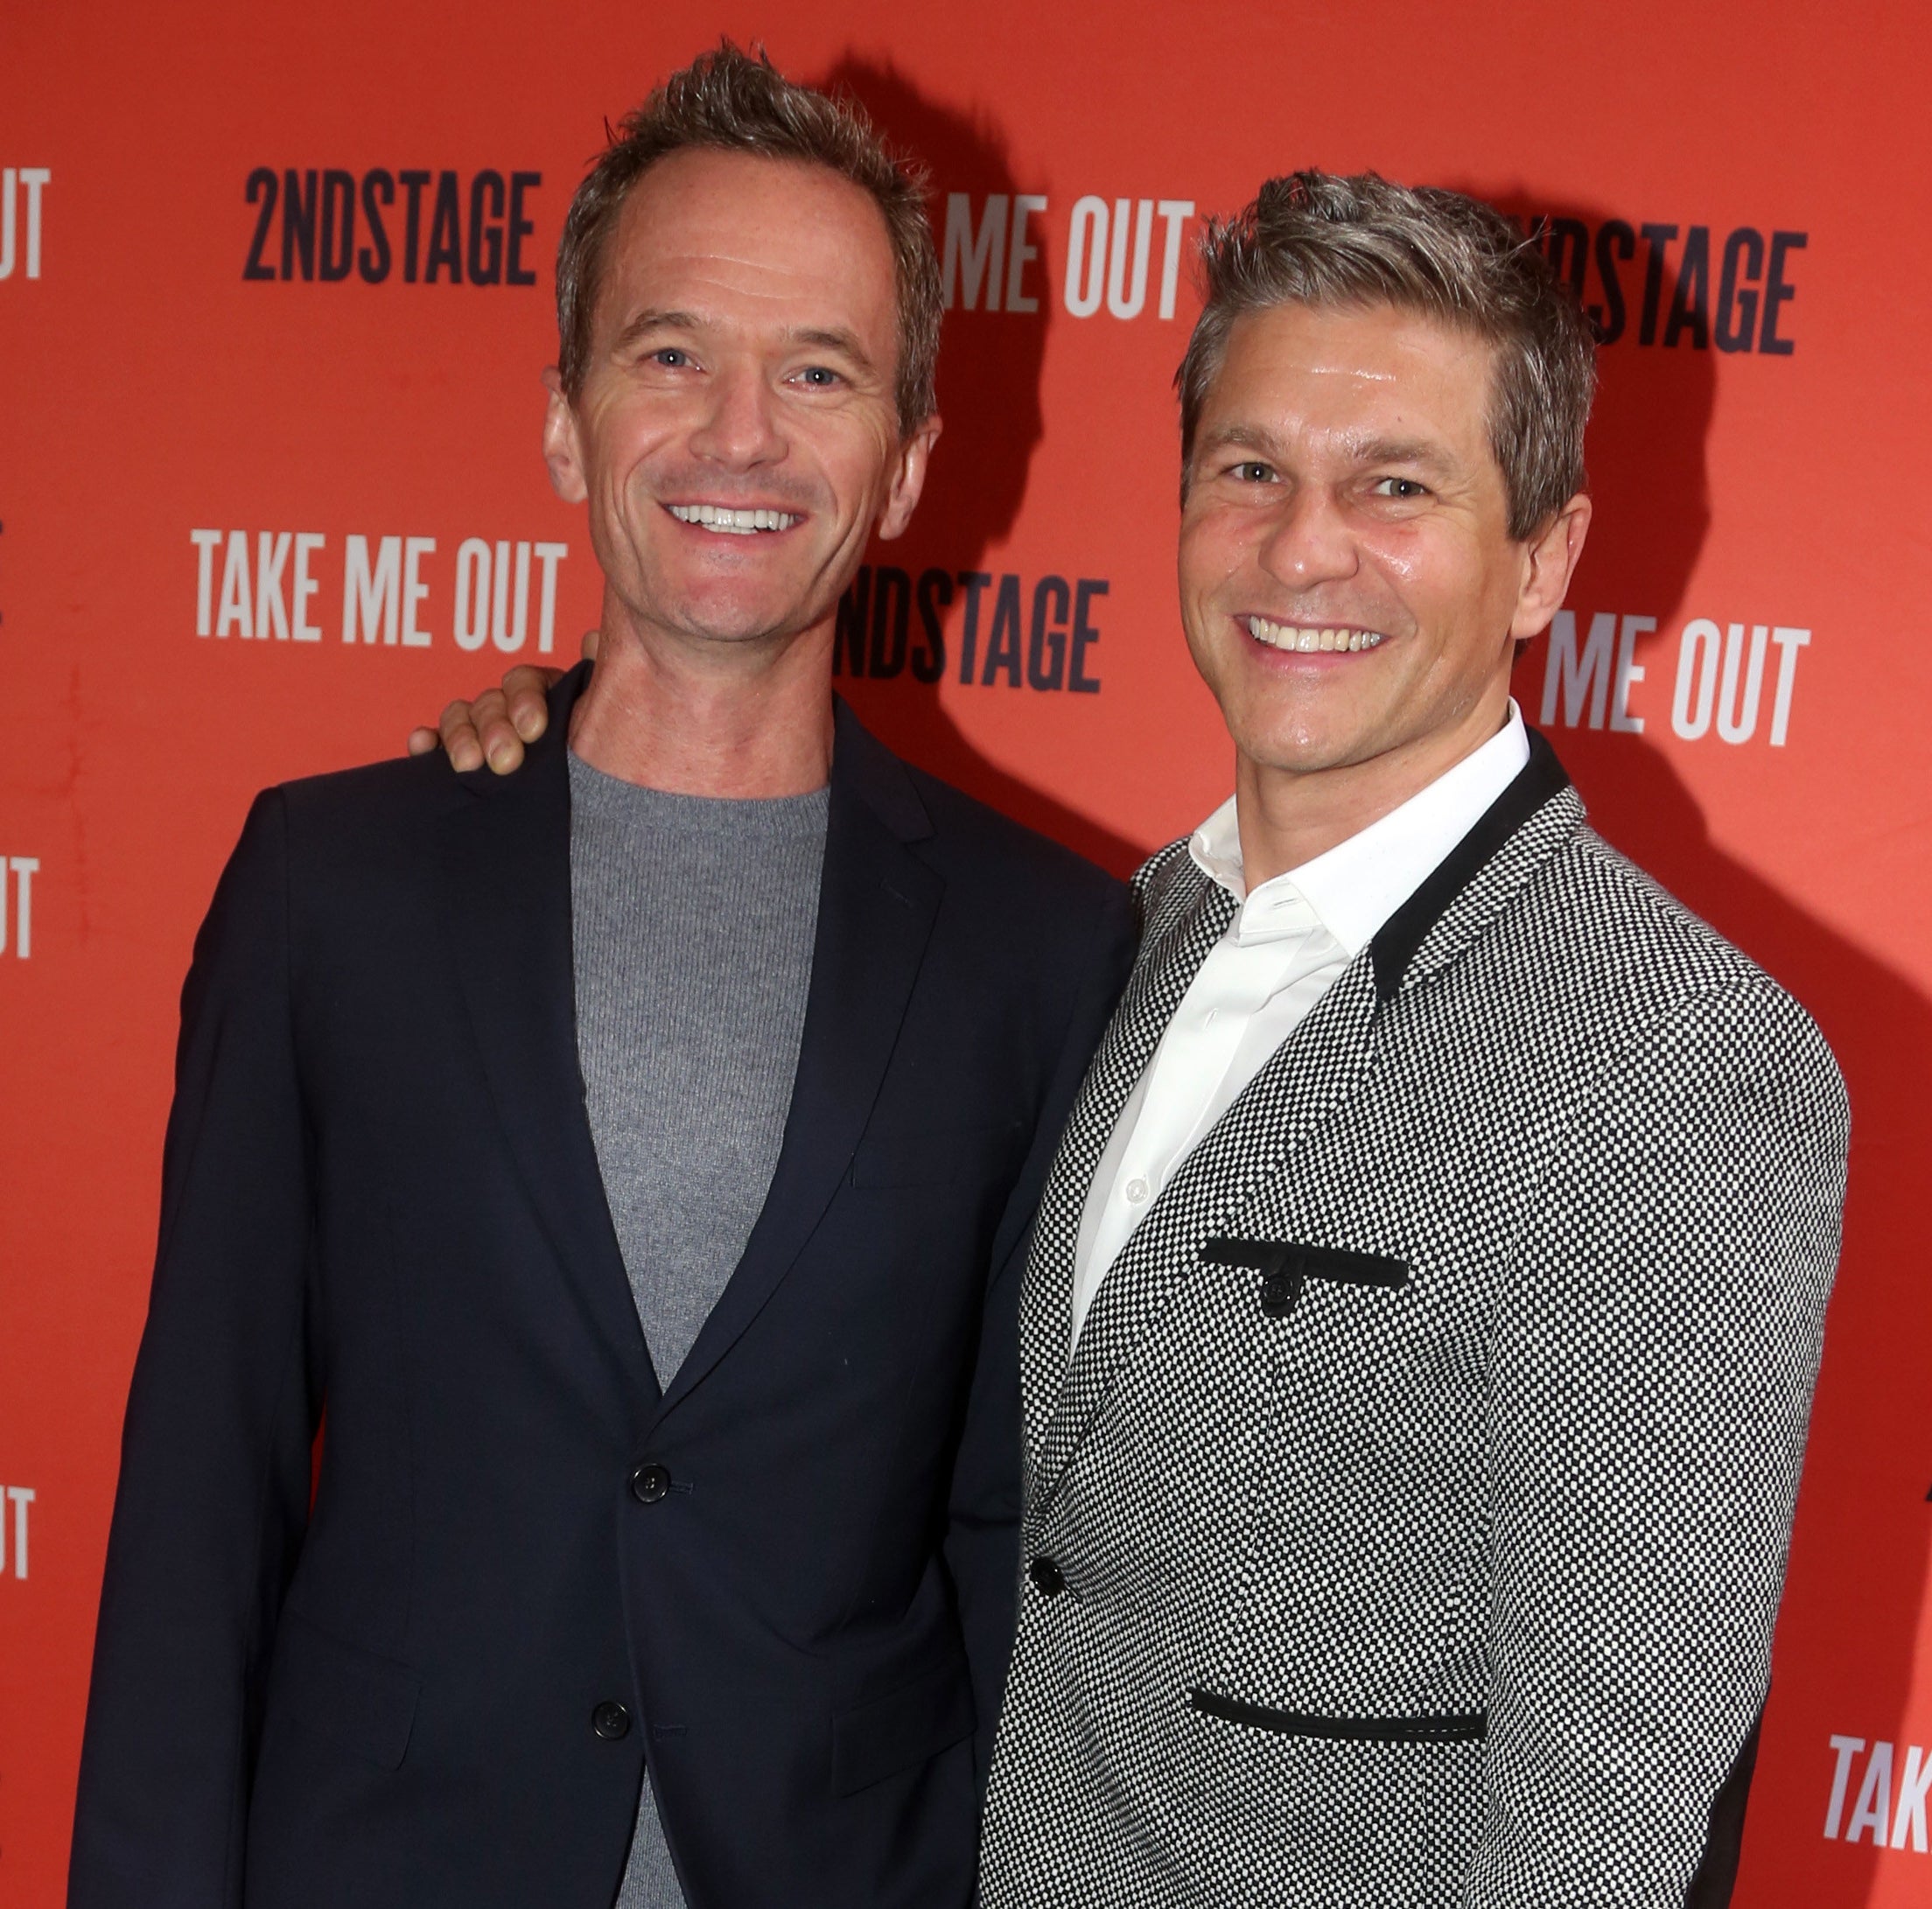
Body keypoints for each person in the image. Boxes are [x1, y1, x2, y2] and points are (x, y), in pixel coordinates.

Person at [442, 171, 1849, 1908]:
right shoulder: (1100, 943)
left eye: (1393, 484)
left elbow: (1612, 1807)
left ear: (1545, 555)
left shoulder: (1673, 1050)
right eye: (1250, 467)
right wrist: (569, 739)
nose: (1303, 544)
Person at [68, 46, 1133, 1909]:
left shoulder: (1044, 950)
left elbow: (1015, 1538)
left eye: (819, 369)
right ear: (565, 423)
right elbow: (199, 1504)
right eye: (671, 354)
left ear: (907, 462)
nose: (741, 433)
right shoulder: (337, 890)